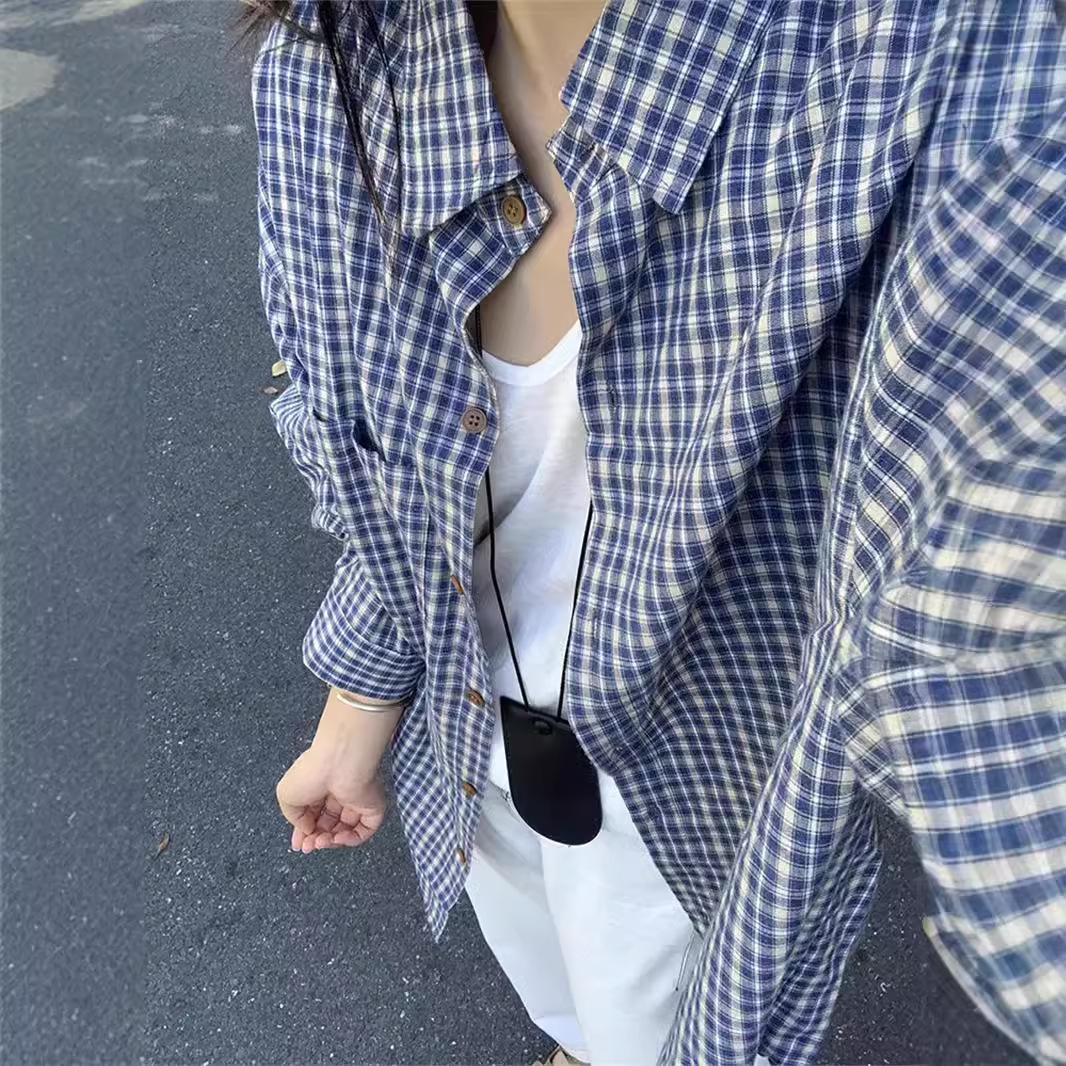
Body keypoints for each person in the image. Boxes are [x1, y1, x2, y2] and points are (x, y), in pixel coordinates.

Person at [241, 1, 1064, 1063]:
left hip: (693, 792)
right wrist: (362, 690)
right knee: (555, 989)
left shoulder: (939, 74)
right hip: (464, 742)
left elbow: (1000, 646)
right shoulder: (326, 72)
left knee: (650, 1025)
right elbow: (378, 457)